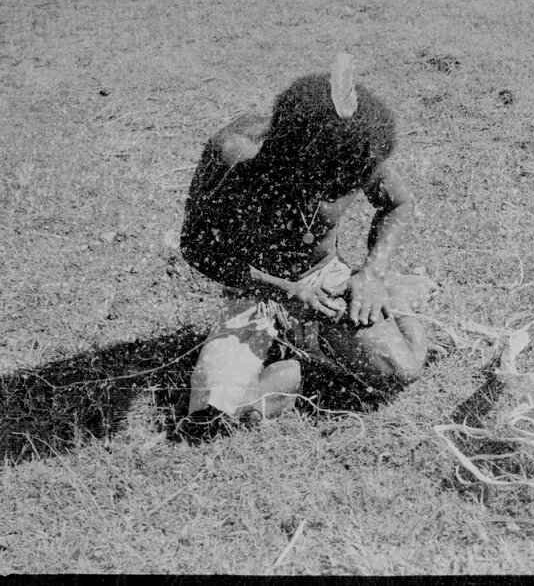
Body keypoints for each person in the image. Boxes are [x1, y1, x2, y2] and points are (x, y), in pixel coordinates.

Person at [179, 54, 435, 429]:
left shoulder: (354, 146)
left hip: (325, 281)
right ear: (297, 156)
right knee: (214, 415)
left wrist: (373, 273)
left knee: (403, 369)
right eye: (329, 184)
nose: (337, 193)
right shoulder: (235, 154)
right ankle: (302, 366)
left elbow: (397, 202)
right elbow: (196, 245)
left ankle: (391, 297)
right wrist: (283, 290)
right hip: (253, 291)